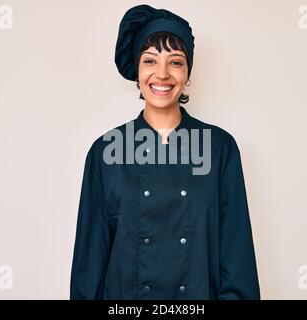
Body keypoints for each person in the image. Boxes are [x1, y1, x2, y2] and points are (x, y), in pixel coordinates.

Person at [70, 4, 260, 300]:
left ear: (187, 72)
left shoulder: (219, 148)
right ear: (137, 70)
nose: (162, 74)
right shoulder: (105, 152)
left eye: (175, 62)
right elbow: (89, 264)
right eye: (150, 61)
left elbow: (238, 262)